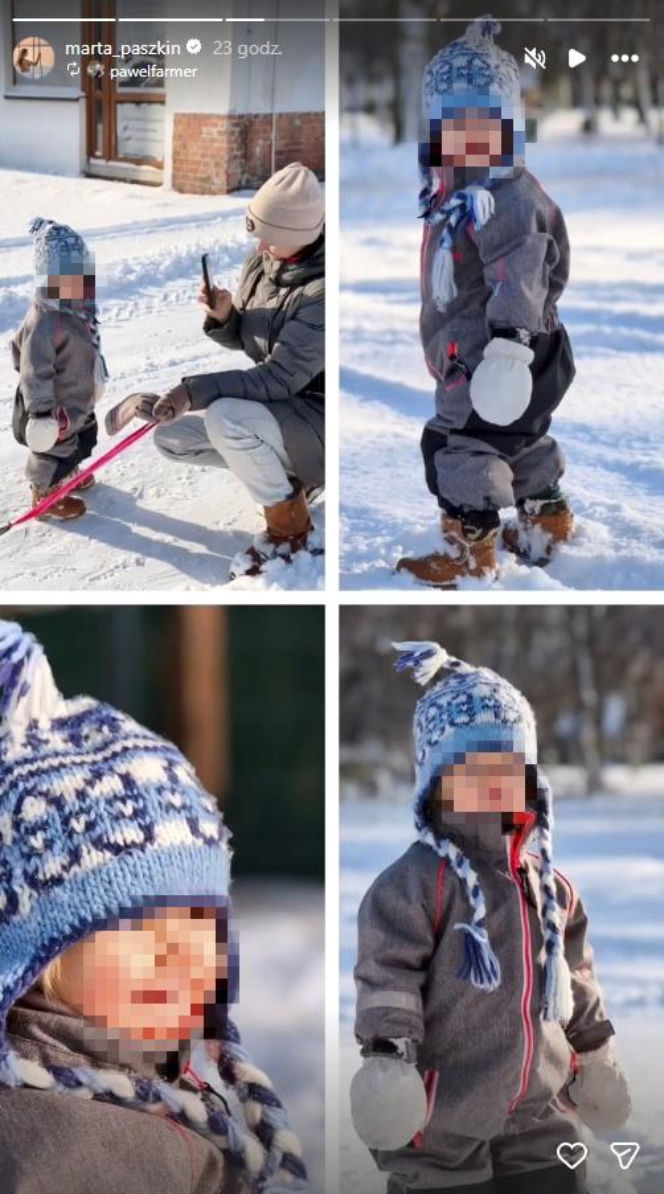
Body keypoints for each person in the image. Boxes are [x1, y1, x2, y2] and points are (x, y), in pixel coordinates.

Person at [0, 621, 307, 1194]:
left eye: (204, 923)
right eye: (143, 929)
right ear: (32, 956)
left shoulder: (135, 1082)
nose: (185, 957)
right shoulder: (56, 1147)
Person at [351, 641, 631, 1194]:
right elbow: (388, 973)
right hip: (440, 1119)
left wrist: (594, 1053)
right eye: (471, 769)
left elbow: (575, 977)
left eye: (507, 767)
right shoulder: (415, 884)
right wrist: (389, 1057)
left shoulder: (549, 887)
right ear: (436, 781)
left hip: (540, 1114)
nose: (492, 783)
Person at [397, 18, 576, 587]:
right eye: (451, 121)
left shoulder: (503, 194)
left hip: (498, 358)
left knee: (454, 448)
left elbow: (522, 271)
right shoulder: (458, 192)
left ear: (507, 123)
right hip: (494, 356)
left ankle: (470, 551)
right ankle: (548, 520)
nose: (465, 134)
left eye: (481, 120)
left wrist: (509, 349)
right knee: (517, 440)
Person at [134, 162, 324, 579]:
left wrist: (193, 391)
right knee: (170, 436)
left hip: (319, 417)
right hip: (282, 411)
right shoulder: (262, 264)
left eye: (269, 239)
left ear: (297, 238)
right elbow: (253, 341)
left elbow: (278, 377)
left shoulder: (322, 294)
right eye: (256, 234)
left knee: (225, 417)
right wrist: (226, 318)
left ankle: (290, 530)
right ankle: (293, 479)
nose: (258, 248)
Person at [11, 219, 108, 520]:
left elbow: (91, 343)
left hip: (77, 395)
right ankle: (45, 494)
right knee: (54, 447)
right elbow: (31, 368)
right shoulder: (44, 321)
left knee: (79, 435)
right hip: (53, 406)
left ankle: (68, 476)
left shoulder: (79, 308)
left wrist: (98, 373)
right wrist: (41, 412)